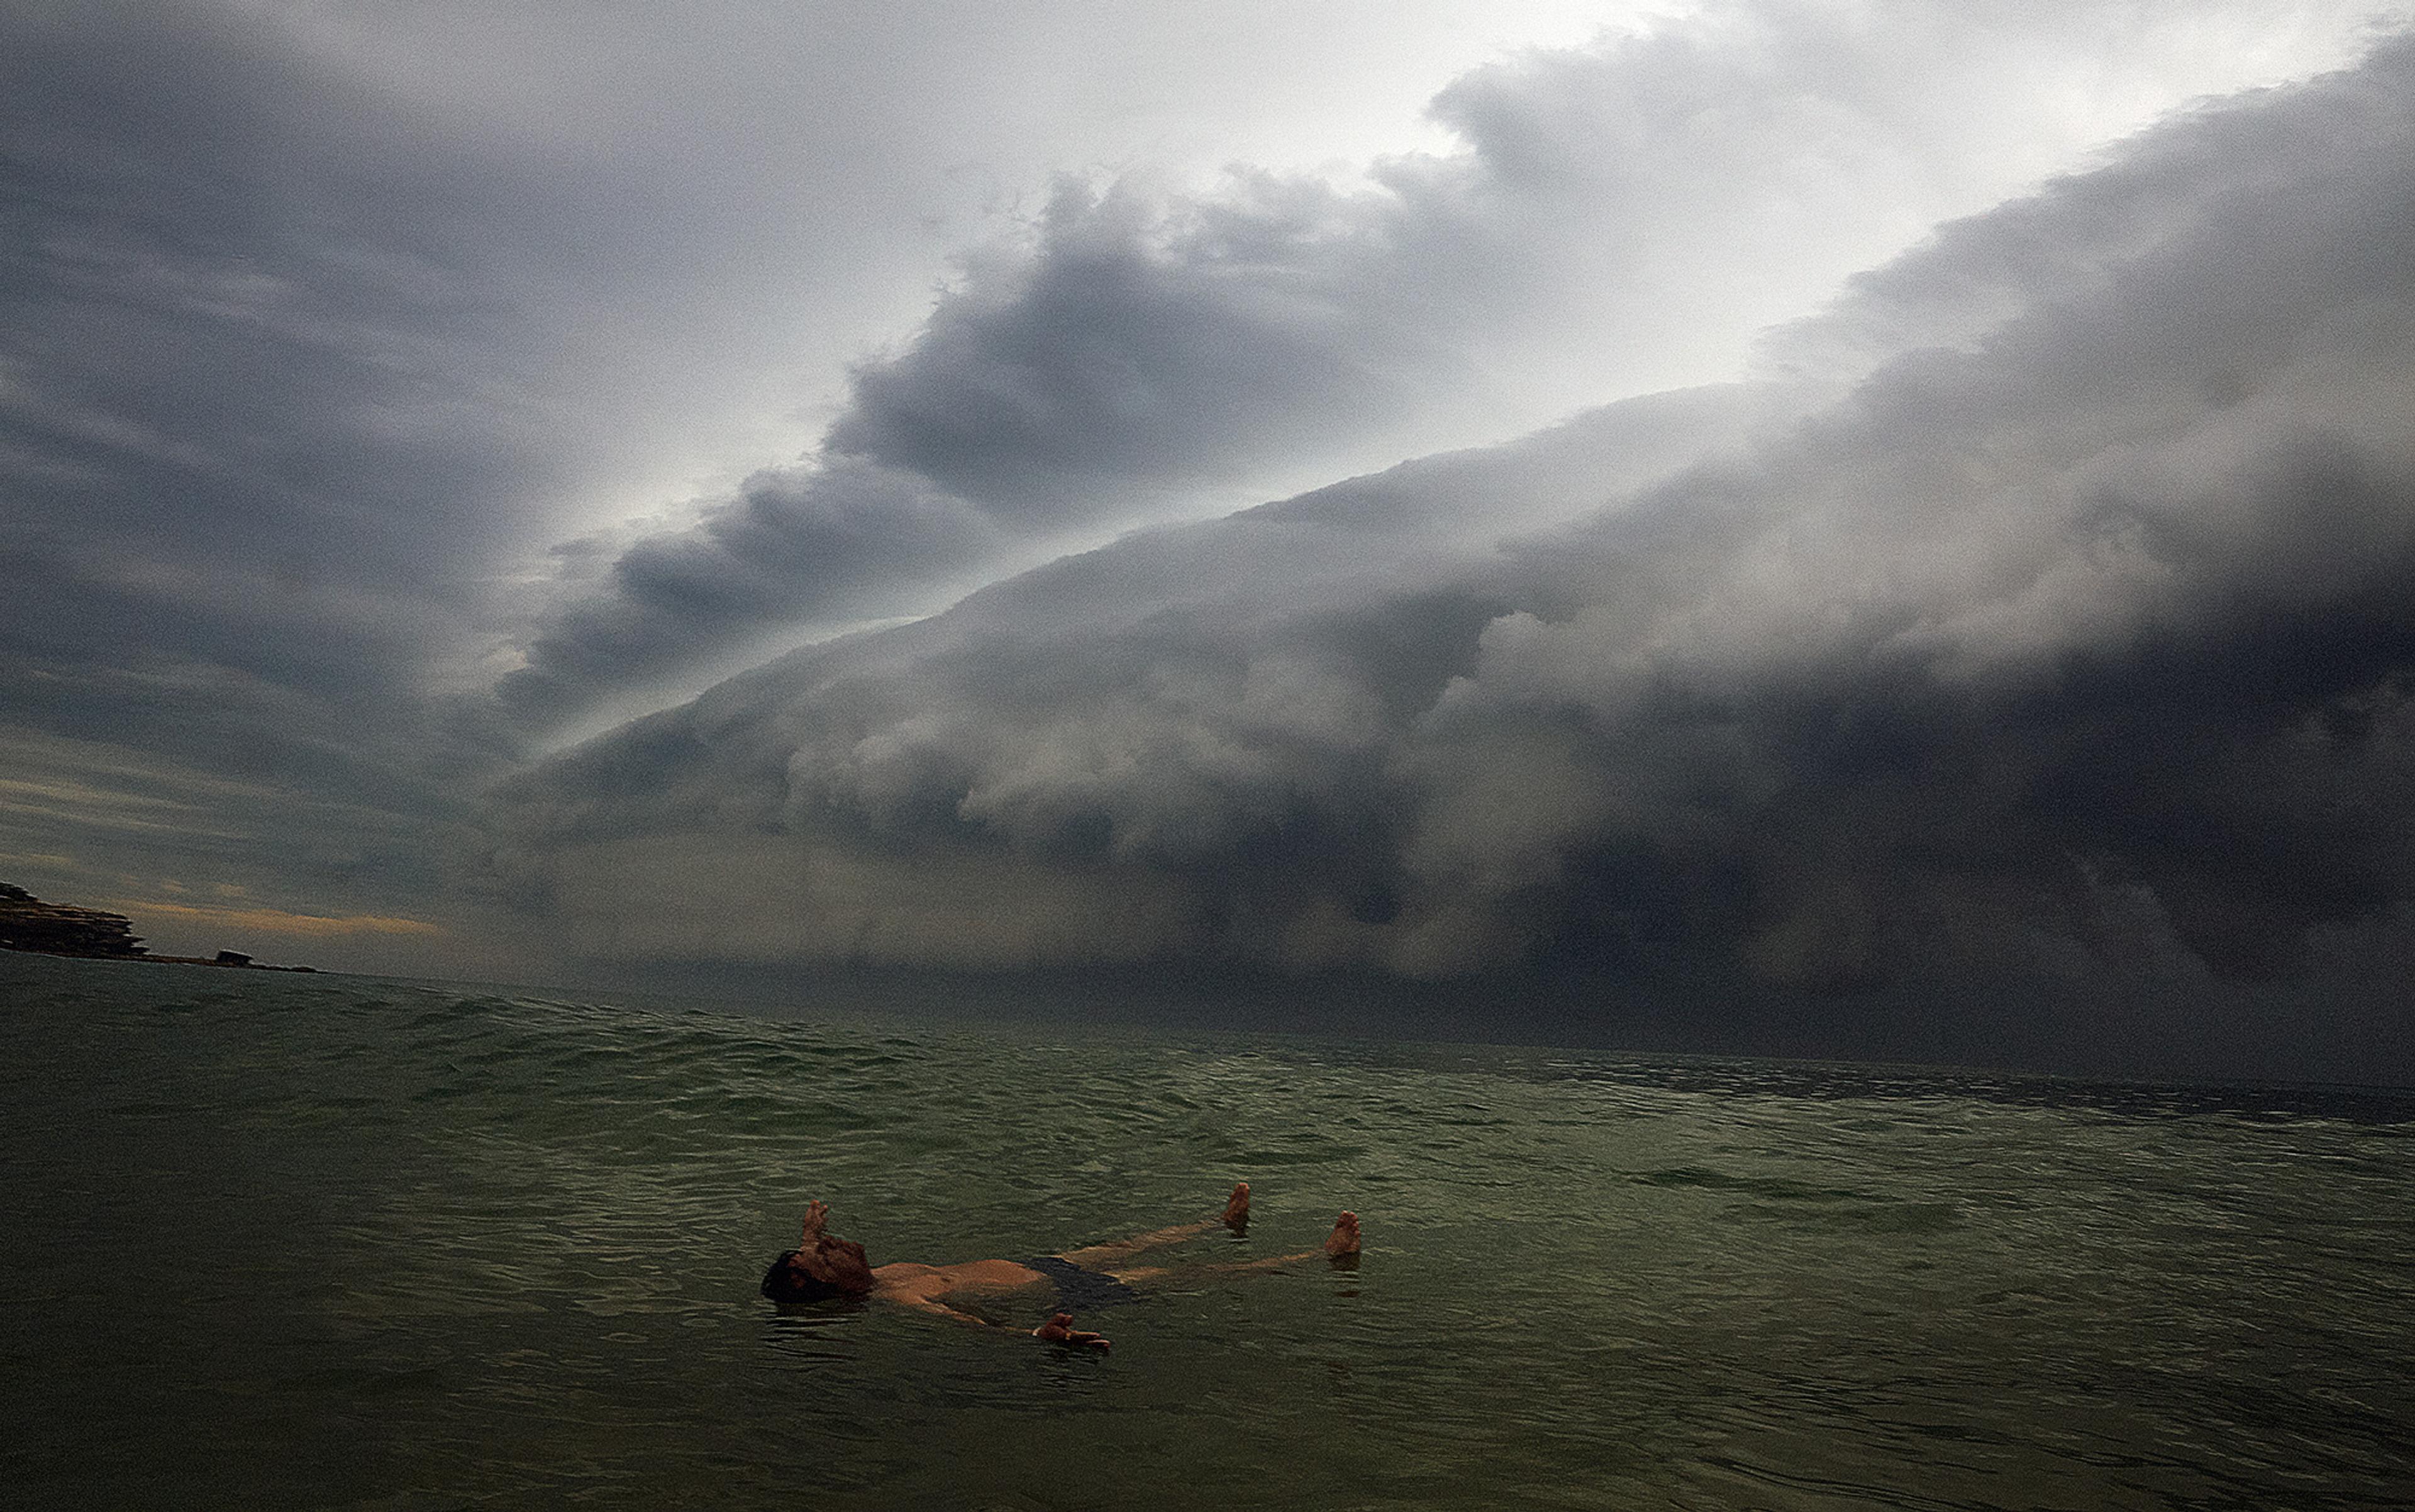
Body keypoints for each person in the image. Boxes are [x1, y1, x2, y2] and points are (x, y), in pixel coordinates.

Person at [760, 1182, 1361, 1350]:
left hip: (1038, 1265)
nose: (833, 1242)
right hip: (1056, 1292)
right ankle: (1323, 1256)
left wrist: (808, 1238)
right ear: (828, 1283)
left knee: (1134, 1242)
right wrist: (1037, 1336)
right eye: (823, 1252)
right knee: (1189, 1274)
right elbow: (973, 1327)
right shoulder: (896, 1296)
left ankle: (1220, 1221)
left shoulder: (875, 1274)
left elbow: (807, 1274)